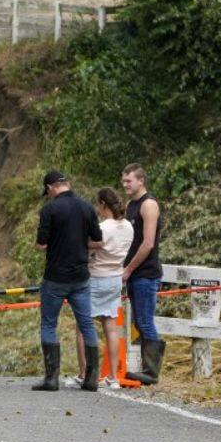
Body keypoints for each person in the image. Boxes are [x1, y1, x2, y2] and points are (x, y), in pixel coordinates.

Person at [32, 170, 103, 392]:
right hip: (81, 277)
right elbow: (98, 241)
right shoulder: (87, 207)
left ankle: (51, 379)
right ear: (67, 184)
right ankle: (92, 379)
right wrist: (79, 242)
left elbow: (41, 244)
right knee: (86, 324)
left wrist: (57, 242)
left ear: (50, 188)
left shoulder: (49, 209)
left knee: (49, 324)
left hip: (55, 277)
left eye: (47, 192)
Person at [67, 188, 134, 388]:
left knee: (83, 327)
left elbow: (86, 246)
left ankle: (84, 374)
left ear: (103, 204)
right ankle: (113, 377)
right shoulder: (128, 227)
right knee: (111, 328)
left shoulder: (103, 227)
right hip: (115, 278)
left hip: (95, 278)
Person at [121, 163, 166, 385]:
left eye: (129, 181)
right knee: (138, 322)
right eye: (123, 181)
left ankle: (152, 371)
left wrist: (128, 269)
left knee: (145, 322)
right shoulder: (130, 205)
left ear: (141, 181)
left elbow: (148, 243)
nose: (125, 185)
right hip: (133, 273)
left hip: (146, 273)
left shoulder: (149, 205)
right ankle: (144, 368)